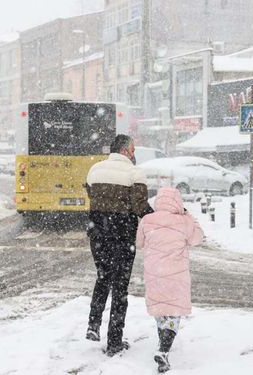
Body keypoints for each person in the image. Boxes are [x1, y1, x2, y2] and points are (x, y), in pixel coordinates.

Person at [85, 134, 154, 357]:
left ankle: (93, 325)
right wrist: (160, 218)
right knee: (120, 287)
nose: (134, 154)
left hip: (97, 231)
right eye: (133, 150)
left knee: (103, 276)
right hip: (122, 234)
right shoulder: (135, 173)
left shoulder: (95, 170)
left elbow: (91, 194)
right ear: (125, 151)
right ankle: (114, 341)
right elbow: (140, 206)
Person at [136, 187, 204, 373]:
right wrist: (189, 215)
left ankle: (162, 342)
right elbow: (198, 238)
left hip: (154, 274)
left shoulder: (147, 220)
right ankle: (164, 350)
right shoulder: (183, 221)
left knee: (161, 309)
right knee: (173, 312)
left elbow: (139, 243)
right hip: (177, 275)